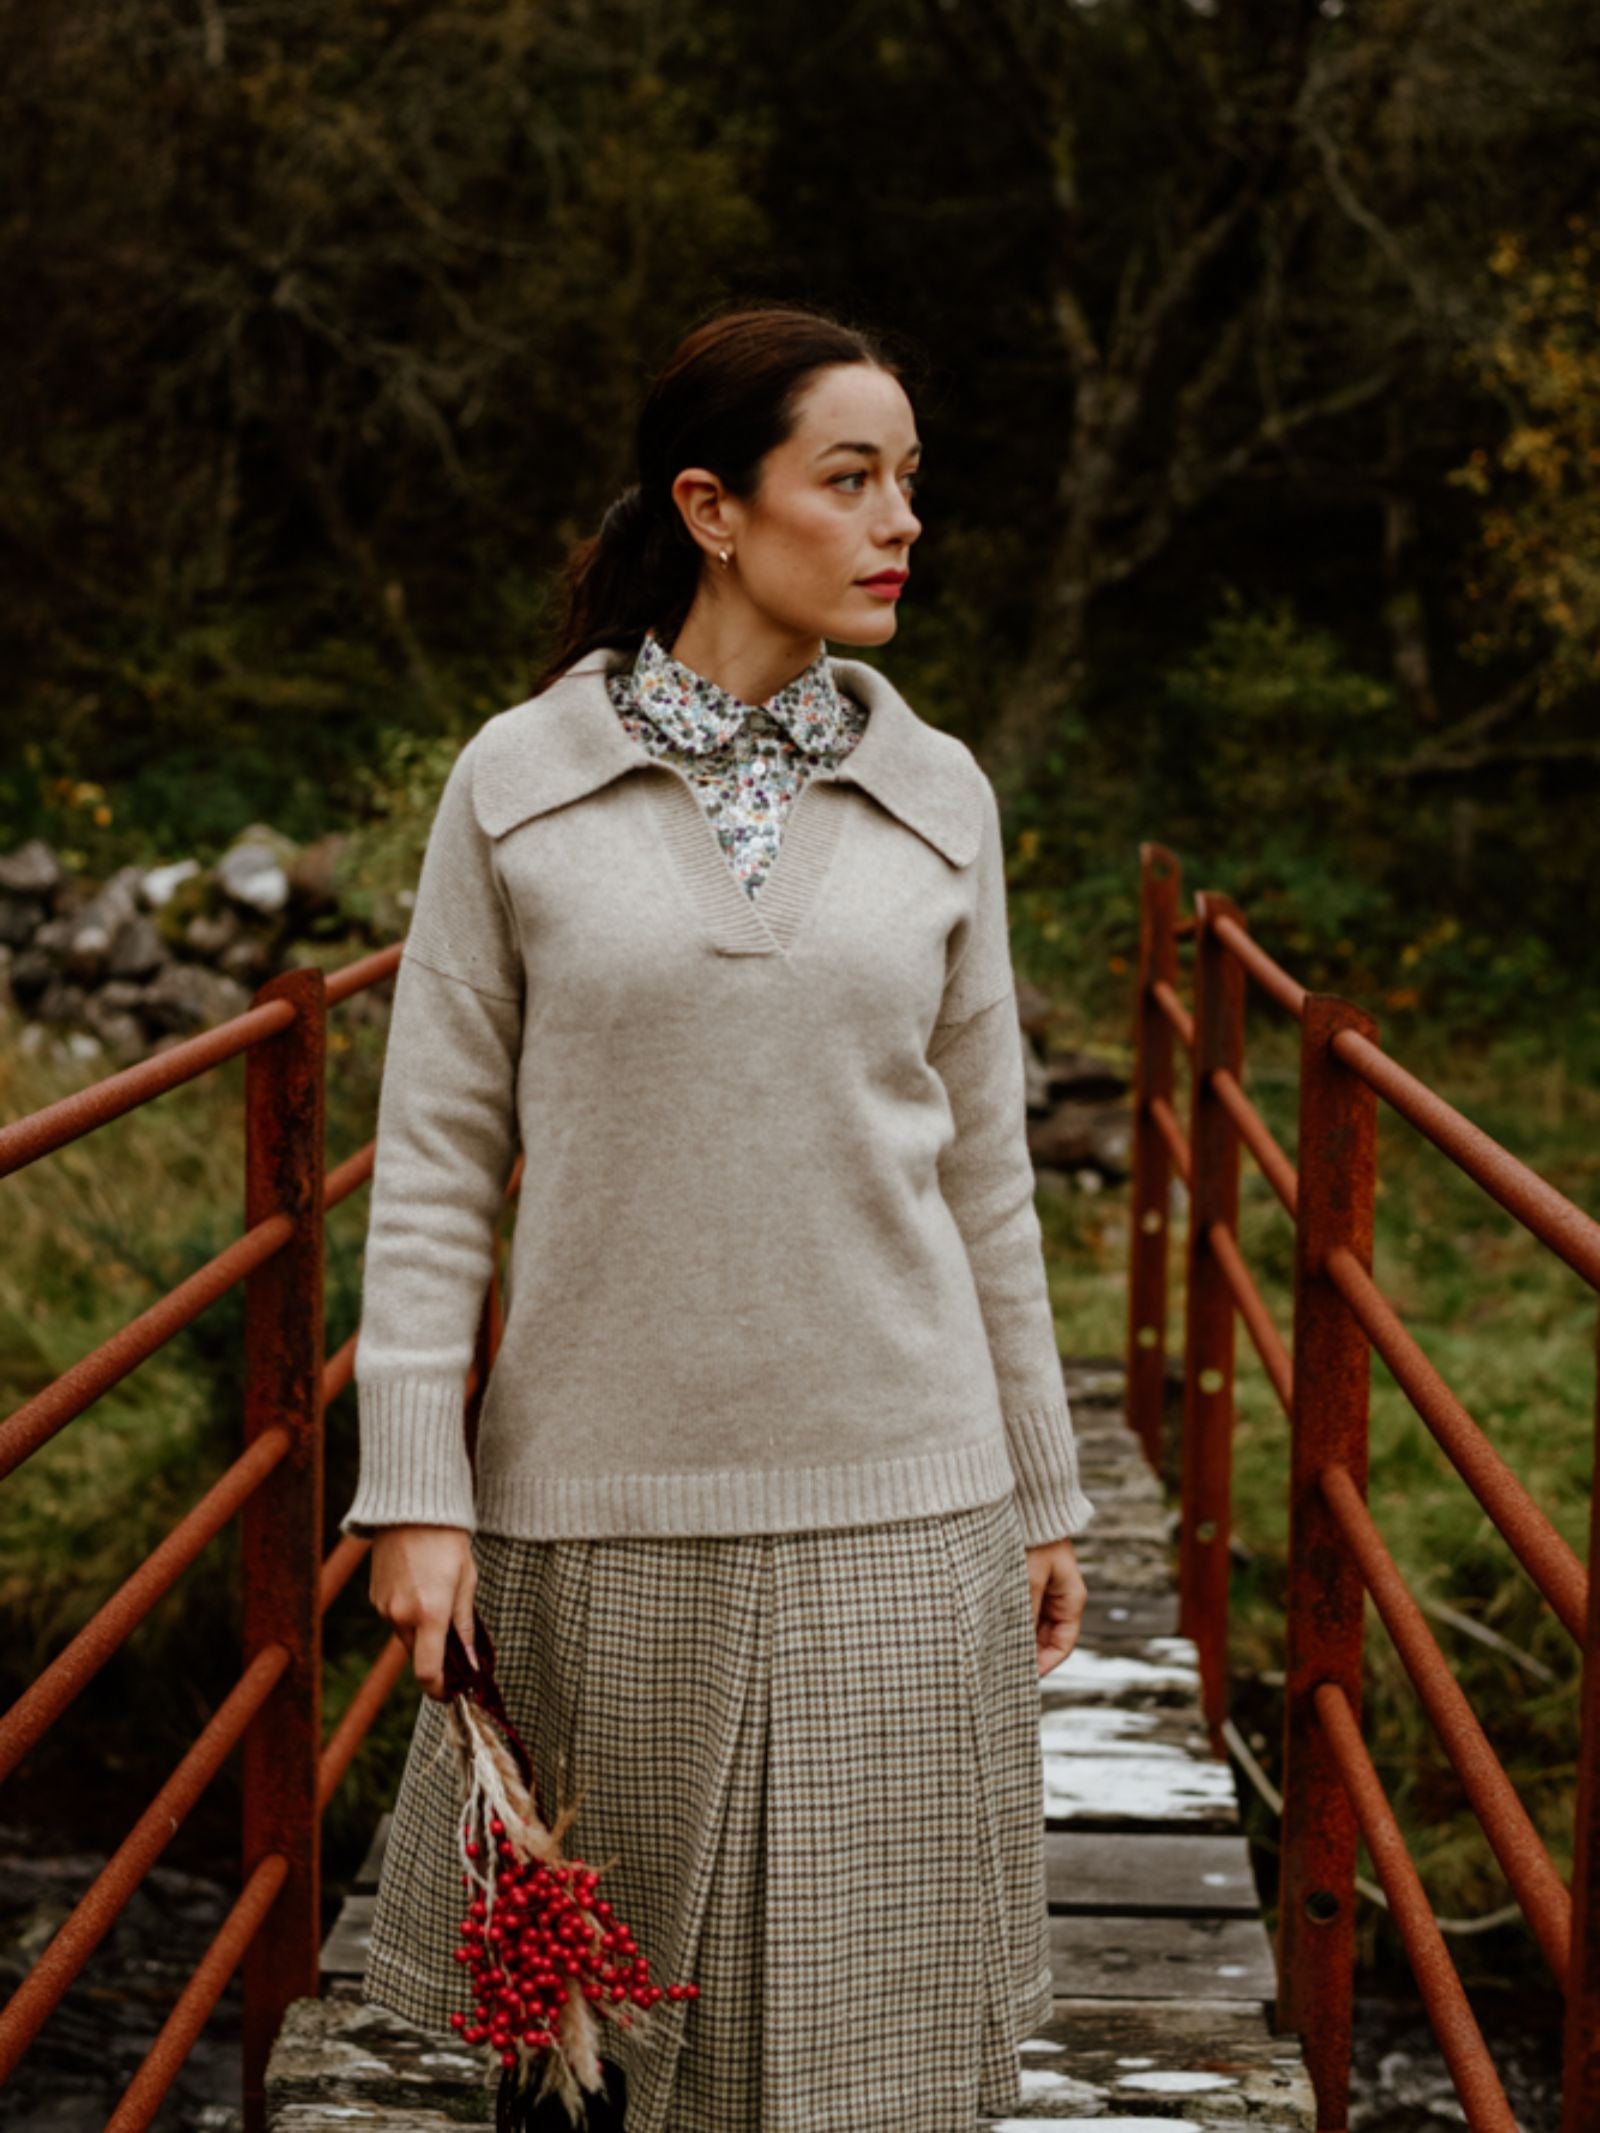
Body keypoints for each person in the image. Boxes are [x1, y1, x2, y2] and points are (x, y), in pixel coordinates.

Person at [339, 300, 1096, 2133]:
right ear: (713, 507)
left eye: (911, 480)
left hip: (908, 1512)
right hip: (597, 1529)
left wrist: (1047, 1489)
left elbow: (987, 1174)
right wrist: (415, 1485)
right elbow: (434, 1166)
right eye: (852, 479)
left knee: (879, 2063)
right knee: (599, 2076)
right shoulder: (516, 786)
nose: (901, 519)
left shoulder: (940, 798)